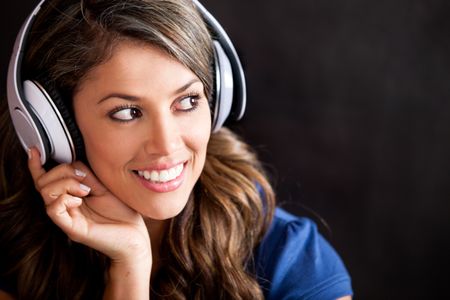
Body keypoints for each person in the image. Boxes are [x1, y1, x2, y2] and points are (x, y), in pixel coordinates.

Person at [0, 0, 353, 299]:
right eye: (127, 113)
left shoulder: (293, 261)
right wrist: (130, 269)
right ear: (53, 126)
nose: (167, 145)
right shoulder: (19, 247)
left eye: (187, 101)